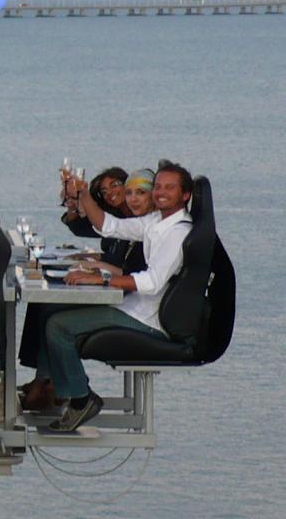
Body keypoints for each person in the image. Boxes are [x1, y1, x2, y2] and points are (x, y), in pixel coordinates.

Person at [41, 161, 199, 432]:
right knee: (51, 311)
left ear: (185, 195)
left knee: (58, 326)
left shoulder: (179, 232)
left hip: (148, 319)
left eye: (169, 188)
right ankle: (57, 390)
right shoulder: (157, 221)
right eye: (158, 186)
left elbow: (152, 282)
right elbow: (110, 226)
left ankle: (80, 400)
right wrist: (83, 194)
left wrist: (102, 279)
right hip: (133, 306)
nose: (161, 192)